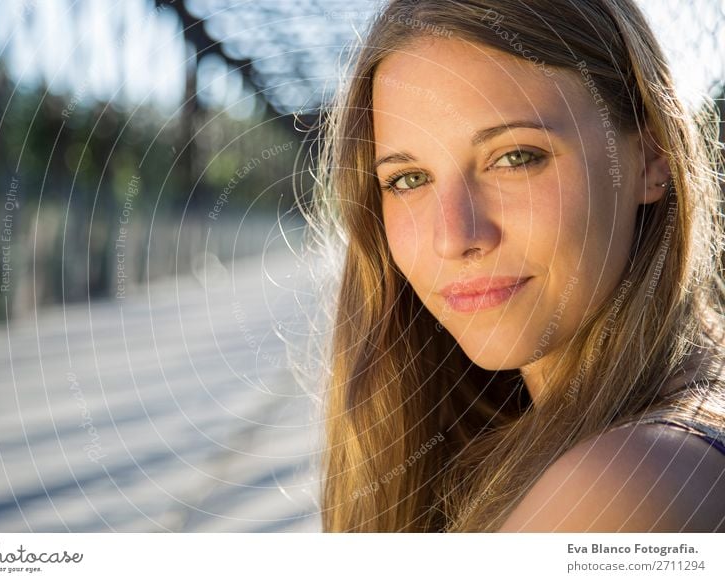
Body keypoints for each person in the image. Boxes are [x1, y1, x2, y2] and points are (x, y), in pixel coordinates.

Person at [297, 0, 725, 532]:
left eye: (515, 157)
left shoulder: (622, 493)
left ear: (651, 158)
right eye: (408, 179)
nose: (455, 236)